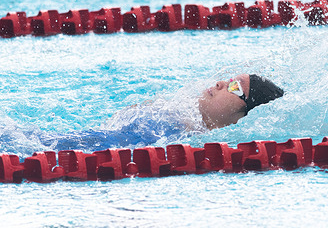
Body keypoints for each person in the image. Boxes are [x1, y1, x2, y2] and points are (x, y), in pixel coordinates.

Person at [38, 73, 284, 151]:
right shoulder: (181, 124)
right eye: (227, 80)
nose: (220, 84)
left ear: (245, 113)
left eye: (234, 87)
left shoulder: (184, 142)